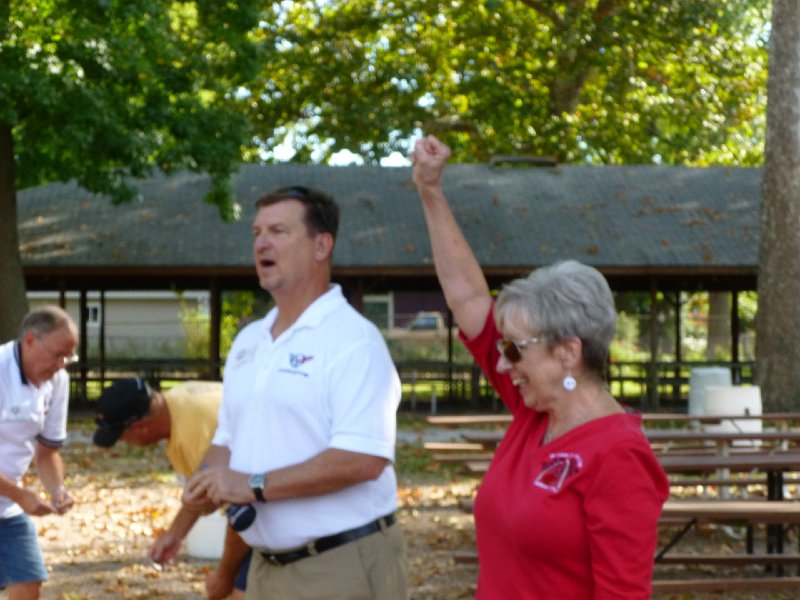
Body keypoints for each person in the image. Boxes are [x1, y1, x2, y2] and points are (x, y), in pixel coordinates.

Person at [410, 135, 669, 599]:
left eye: (515, 350)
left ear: (567, 352)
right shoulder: (537, 410)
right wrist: (430, 191)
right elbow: (468, 297)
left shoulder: (618, 455)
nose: (503, 363)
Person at [183, 185, 407, 599]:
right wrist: (196, 499)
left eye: (279, 231)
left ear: (322, 245)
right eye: (256, 233)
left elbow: (363, 459)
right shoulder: (249, 340)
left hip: (342, 565)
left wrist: (253, 484)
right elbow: (227, 441)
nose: (261, 243)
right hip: (266, 568)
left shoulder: (354, 340)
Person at [92, 377, 251, 600]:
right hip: (270, 498)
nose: (123, 443)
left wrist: (225, 575)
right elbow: (201, 495)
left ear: (139, 428)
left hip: (282, 505)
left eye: (121, 437)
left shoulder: (194, 435)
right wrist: (174, 534)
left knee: (240, 594)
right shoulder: (179, 402)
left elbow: (244, 513)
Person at [0, 305, 78, 600]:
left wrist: (57, 489)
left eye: (68, 357)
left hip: (6, 509)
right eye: (57, 355)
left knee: (28, 582)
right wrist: (21, 495)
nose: (61, 364)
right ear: (30, 340)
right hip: (13, 498)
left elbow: (47, 452)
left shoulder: (58, 381)